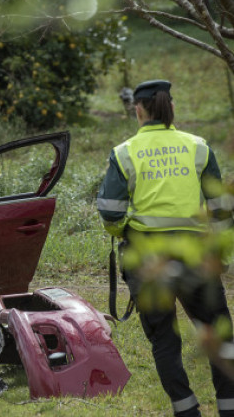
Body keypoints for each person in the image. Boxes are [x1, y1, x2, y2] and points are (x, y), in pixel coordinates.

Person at [97, 79, 234, 417]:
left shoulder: (125, 152)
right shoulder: (198, 147)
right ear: (171, 108)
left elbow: (111, 210)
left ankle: (186, 410)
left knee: (164, 339)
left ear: (138, 109)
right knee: (219, 334)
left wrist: (123, 231)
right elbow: (221, 208)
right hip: (196, 256)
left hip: (148, 258)